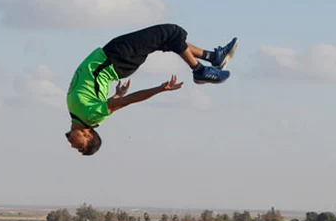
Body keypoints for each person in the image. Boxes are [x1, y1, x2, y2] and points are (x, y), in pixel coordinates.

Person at [66, 24, 238, 156]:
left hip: (113, 58)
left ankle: (214, 57)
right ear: (87, 134)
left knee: (168, 39)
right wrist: (159, 89)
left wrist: (117, 94)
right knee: (172, 33)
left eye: (78, 147)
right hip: (117, 59)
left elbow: (110, 100)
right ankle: (200, 70)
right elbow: (128, 101)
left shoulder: (78, 114)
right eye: (79, 146)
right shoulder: (92, 116)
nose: (73, 146)